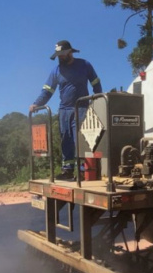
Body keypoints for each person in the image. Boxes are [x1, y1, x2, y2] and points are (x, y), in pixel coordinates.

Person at [29, 40, 102, 180]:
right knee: (65, 139)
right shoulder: (56, 71)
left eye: (62, 54)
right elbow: (47, 91)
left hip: (81, 107)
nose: (60, 57)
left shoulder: (84, 65)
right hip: (64, 110)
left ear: (70, 52)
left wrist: (96, 98)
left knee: (79, 139)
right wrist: (36, 104)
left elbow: (96, 83)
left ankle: (83, 171)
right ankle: (67, 171)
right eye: (58, 56)